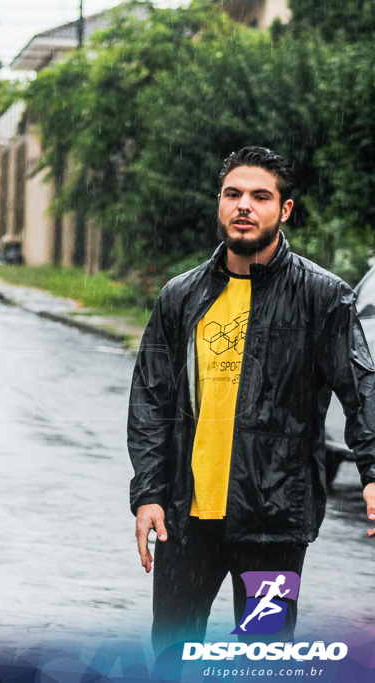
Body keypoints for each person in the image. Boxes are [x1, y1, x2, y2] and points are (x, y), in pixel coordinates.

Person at [128, 146, 375, 655]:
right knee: (169, 656)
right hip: (185, 518)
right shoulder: (181, 296)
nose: (244, 206)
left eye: (260, 196)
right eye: (233, 194)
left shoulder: (322, 297)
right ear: (219, 205)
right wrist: (149, 493)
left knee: (263, 656)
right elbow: (152, 401)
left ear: (284, 210)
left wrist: (373, 472)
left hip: (274, 521)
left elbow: (362, 389)